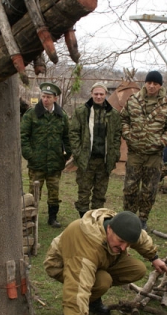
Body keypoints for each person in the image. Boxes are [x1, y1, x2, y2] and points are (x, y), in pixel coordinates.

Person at [44, 209, 167, 315]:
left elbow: (140, 238)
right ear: (109, 230)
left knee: (137, 269)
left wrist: (154, 257)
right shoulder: (86, 242)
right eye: (121, 241)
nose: (124, 248)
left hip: (102, 257)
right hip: (62, 264)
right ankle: (82, 311)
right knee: (102, 280)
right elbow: (77, 286)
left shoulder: (118, 226)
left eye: (128, 244)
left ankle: (93, 298)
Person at [120, 71, 167, 230]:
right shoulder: (133, 101)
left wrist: (162, 141)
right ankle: (128, 218)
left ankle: (142, 219)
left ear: (160, 86)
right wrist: (127, 134)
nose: (152, 86)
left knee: (149, 190)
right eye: (149, 82)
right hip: (135, 153)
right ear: (145, 83)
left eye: (155, 84)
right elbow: (124, 118)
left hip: (154, 155)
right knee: (130, 188)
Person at [21, 82, 71, 228]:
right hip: (37, 162)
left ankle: (52, 217)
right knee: (33, 192)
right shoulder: (31, 114)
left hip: (55, 162)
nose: (45, 99)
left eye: (48, 97)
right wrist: (30, 154)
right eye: (43, 96)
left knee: (54, 192)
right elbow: (23, 136)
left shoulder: (62, 116)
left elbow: (67, 137)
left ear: (55, 98)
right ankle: (30, 218)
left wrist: (66, 155)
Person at [69, 82, 122, 218]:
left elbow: (117, 135)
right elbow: (74, 132)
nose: (98, 97)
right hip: (86, 159)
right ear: (91, 94)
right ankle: (83, 219)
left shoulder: (113, 114)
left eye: (101, 94)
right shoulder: (81, 111)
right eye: (96, 94)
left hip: (104, 161)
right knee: (84, 191)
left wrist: (114, 153)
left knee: (100, 193)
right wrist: (78, 152)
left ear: (106, 95)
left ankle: (96, 220)